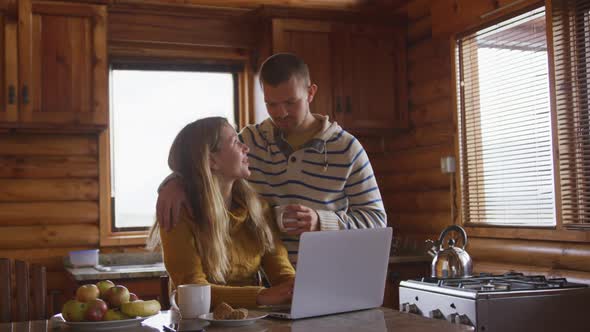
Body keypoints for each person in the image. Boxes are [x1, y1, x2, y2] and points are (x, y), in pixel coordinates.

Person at [157, 53, 386, 262]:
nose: (280, 113)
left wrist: (321, 222)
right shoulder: (250, 140)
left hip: (331, 273)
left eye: (290, 102)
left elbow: (377, 222)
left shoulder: (348, 148)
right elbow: (205, 158)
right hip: (268, 282)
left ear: (311, 92)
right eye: (271, 104)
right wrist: (176, 181)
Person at [148, 117, 295, 309]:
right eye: (235, 141)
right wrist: (261, 296)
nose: (246, 148)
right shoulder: (180, 214)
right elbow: (192, 288)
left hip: (252, 322)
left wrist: (295, 288)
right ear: (211, 160)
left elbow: (281, 272)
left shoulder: (259, 208)